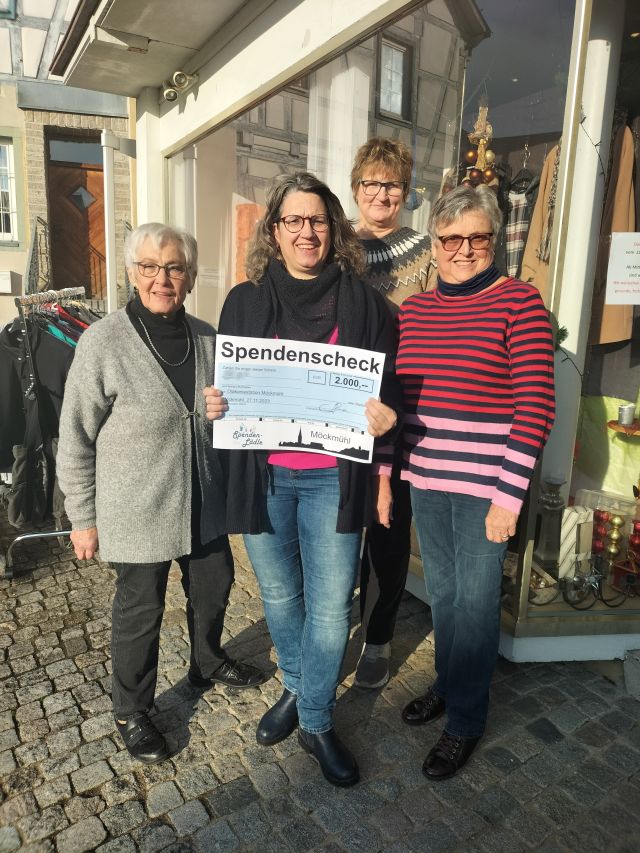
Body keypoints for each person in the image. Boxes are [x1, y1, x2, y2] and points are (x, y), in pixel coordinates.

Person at [204, 172, 401, 787]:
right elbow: (230, 389)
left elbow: (386, 389)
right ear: (275, 230)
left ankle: (314, 718)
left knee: (330, 607)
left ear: (334, 229)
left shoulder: (367, 306)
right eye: (294, 221)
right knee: (282, 598)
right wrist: (215, 404)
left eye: (317, 220)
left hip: (331, 483)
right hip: (265, 477)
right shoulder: (243, 301)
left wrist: (387, 418)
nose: (306, 231)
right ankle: (297, 686)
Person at [57, 223, 267, 766]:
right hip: (136, 505)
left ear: (192, 277)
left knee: (216, 583)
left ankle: (207, 660)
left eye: (174, 267)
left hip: (203, 495)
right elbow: (75, 434)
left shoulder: (207, 337)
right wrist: (82, 516)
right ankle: (132, 709)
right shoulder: (103, 341)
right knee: (140, 608)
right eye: (149, 267)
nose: (162, 278)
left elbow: (233, 413)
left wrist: (228, 412)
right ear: (131, 273)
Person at [395, 185, 555, 780]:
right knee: (444, 596)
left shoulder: (520, 303)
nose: (463, 249)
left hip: (487, 490)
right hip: (429, 484)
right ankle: (447, 682)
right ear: (434, 246)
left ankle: (464, 718)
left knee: (478, 603)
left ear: (494, 242)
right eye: (450, 239)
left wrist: (509, 495)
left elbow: (536, 405)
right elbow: (402, 400)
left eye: (476, 238)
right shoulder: (415, 310)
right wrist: (392, 474)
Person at [351, 137, 433, 689]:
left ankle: (377, 639)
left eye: (393, 185)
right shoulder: (334, 246)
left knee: (387, 527)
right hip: (340, 405)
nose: (382, 194)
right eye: (372, 184)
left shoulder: (427, 249)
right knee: (331, 527)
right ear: (356, 189)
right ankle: (332, 628)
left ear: (406, 192)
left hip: (401, 405)